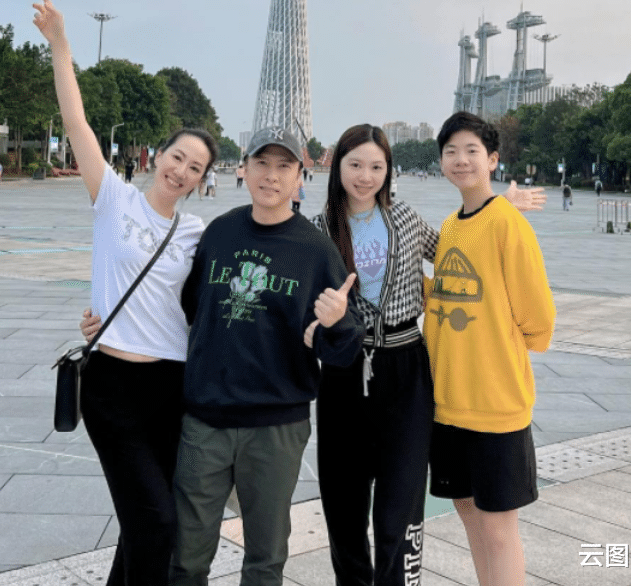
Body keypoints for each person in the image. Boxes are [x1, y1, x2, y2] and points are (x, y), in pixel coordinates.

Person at [309, 124, 546, 586]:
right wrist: (322, 322)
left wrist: (498, 209)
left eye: (376, 166)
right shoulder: (317, 232)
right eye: (355, 165)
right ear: (337, 168)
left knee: (400, 507)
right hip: (344, 374)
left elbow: (460, 254)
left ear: (388, 171)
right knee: (343, 505)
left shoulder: (406, 220)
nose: (365, 176)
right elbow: (301, 312)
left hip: (406, 370)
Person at [34, 0, 218, 586]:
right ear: (157, 154)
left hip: (171, 387)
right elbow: (76, 123)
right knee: (156, 523)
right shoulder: (113, 199)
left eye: (196, 168)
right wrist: (62, 47)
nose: (182, 171)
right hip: (112, 387)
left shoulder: (195, 234)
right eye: (178, 157)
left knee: (144, 523)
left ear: (201, 182)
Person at [170, 126, 365, 586]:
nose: (271, 176)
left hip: (276, 426)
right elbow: (189, 308)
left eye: (284, 166)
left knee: (266, 556)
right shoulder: (219, 233)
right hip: (205, 421)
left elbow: (345, 349)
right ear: (244, 168)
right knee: (186, 555)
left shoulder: (316, 251)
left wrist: (337, 322)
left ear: (301, 176)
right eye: (261, 163)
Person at [425, 111, 555, 586]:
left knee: (499, 528)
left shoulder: (507, 223)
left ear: (493, 160)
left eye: (472, 151)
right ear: (441, 161)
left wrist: (497, 349)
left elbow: (538, 317)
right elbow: (444, 291)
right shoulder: (451, 227)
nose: (461, 160)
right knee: (466, 510)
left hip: (496, 404)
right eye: (452, 151)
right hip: (450, 404)